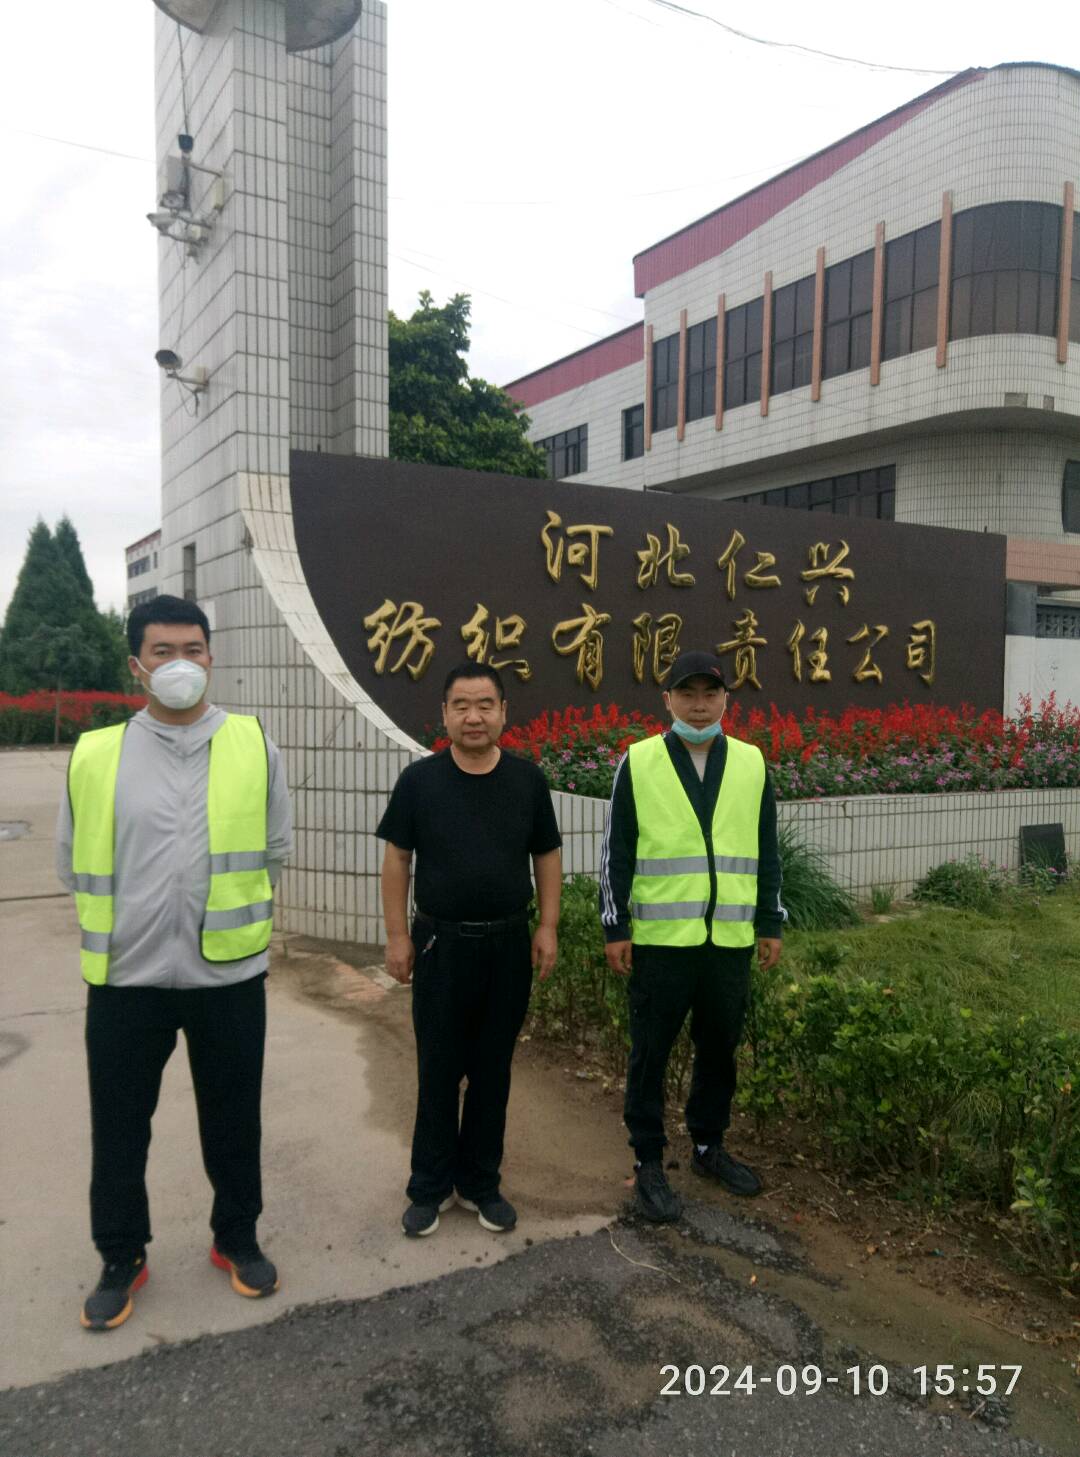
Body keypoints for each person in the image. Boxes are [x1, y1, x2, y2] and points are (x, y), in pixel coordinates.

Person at [57, 595, 293, 1330]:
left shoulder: (254, 743)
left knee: (234, 1118)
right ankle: (121, 1254)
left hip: (228, 973)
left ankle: (236, 1238)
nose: (180, 663)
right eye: (163, 651)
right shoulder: (96, 754)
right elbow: (71, 859)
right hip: (126, 978)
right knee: (120, 1126)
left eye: (193, 649)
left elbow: (274, 848)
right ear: (137, 665)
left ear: (211, 657)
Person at [377, 661, 562, 1238]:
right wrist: (398, 936)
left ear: (504, 712)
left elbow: (546, 855)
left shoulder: (527, 781)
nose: (473, 716)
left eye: (485, 704)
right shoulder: (419, 781)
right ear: (445, 714)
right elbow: (398, 858)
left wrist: (548, 925)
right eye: (461, 705)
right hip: (440, 945)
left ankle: (481, 1182)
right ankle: (429, 1186)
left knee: (491, 1071)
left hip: (507, 945)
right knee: (438, 1070)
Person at [599, 651, 784, 1223]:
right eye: (688, 693)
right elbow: (617, 850)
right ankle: (648, 1160)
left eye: (710, 693)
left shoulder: (751, 763)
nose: (699, 705)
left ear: (726, 699)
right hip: (662, 942)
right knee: (650, 1054)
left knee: (719, 1050)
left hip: (728, 940)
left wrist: (770, 921)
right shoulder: (639, 761)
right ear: (668, 700)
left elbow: (768, 849)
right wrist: (615, 926)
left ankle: (708, 1145)